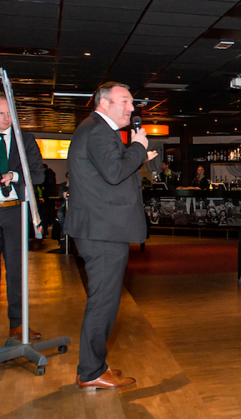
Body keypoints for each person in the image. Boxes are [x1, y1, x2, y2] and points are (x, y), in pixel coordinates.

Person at [65, 82, 157, 390]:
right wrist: (139, 148)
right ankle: (91, 372)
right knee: (103, 302)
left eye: (132, 103)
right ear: (103, 104)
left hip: (101, 228)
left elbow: (109, 172)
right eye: (125, 102)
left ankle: (93, 366)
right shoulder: (99, 131)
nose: (132, 108)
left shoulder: (94, 130)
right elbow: (115, 173)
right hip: (102, 231)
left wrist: (136, 156)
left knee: (103, 300)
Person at [0, 96, 45, 343]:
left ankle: (17, 324)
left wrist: (15, 175)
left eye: (10, 113)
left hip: (13, 210)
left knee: (16, 270)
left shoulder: (25, 140)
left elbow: (37, 175)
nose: (8, 118)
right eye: (2, 113)